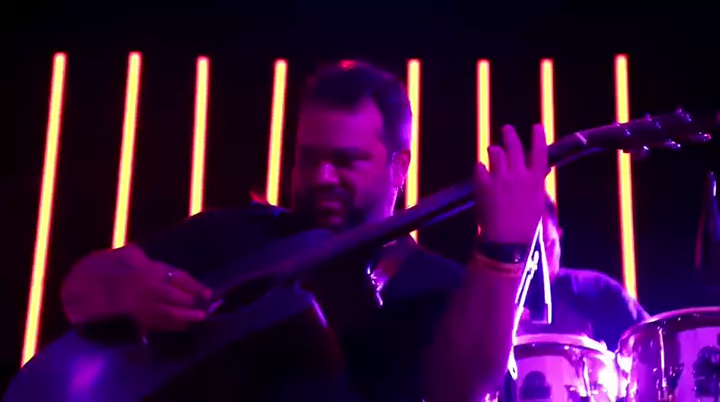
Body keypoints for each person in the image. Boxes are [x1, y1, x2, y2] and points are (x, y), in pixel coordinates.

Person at [60, 61, 549, 402]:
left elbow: (459, 390)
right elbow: (79, 287)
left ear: (399, 168)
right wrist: (129, 289)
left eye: (346, 161)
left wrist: (502, 249)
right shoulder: (237, 233)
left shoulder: (438, 285)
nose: (322, 177)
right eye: (308, 159)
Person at [516, 195, 650, 350]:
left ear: (559, 237)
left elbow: (650, 340)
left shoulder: (599, 291)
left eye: (546, 245)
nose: (539, 260)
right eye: (526, 250)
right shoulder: (494, 307)